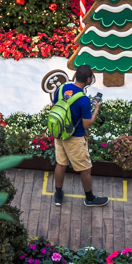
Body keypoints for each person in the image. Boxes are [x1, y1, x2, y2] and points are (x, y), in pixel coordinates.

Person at [52, 65, 109, 207]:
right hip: (74, 138)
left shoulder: (61, 89)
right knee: (85, 169)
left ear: (75, 76)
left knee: (61, 164)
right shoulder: (83, 100)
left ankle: (58, 195)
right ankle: (89, 198)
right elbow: (86, 125)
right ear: (88, 79)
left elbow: (54, 106)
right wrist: (96, 109)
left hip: (59, 134)